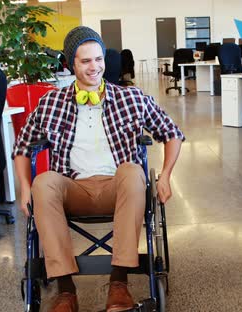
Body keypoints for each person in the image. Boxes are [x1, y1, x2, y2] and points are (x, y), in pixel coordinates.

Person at [12, 26, 184, 312]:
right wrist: (24, 186)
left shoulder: (132, 98)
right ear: (70, 64)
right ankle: (66, 292)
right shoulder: (51, 102)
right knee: (43, 182)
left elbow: (172, 133)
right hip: (73, 188)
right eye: (85, 61)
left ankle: (119, 284)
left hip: (118, 186)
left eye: (98, 59)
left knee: (132, 171)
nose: (95, 67)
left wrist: (165, 176)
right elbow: (22, 148)